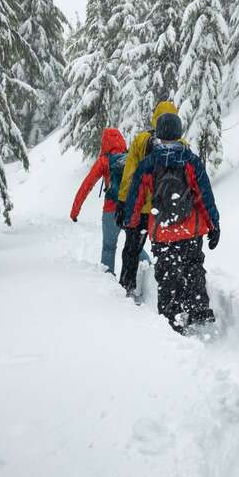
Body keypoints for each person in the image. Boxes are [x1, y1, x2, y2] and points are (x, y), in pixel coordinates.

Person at [123, 112, 220, 332]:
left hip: (162, 231)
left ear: (158, 134)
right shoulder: (191, 161)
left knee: (167, 275)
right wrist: (214, 224)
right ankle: (198, 310)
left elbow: (135, 197)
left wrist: (131, 222)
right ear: (179, 133)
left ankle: (171, 318)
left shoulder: (149, 163)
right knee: (193, 267)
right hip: (190, 230)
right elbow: (205, 196)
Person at [115, 100, 179, 295]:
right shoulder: (181, 145)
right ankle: (168, 294)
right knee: (168, 253)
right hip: (168, 212)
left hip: (142, 210)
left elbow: (129, 174)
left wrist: (123, 202)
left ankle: (127, 286)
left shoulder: (142, 140)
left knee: (132, 249)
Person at [70, 127, 128, 275]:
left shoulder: (104, 161)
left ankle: (109, 285)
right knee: (134, 246)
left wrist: (74, 212)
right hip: (129, 209)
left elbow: (87, 185)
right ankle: (147, 275)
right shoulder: (129, 158)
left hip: (110, 211)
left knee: (109, 247)